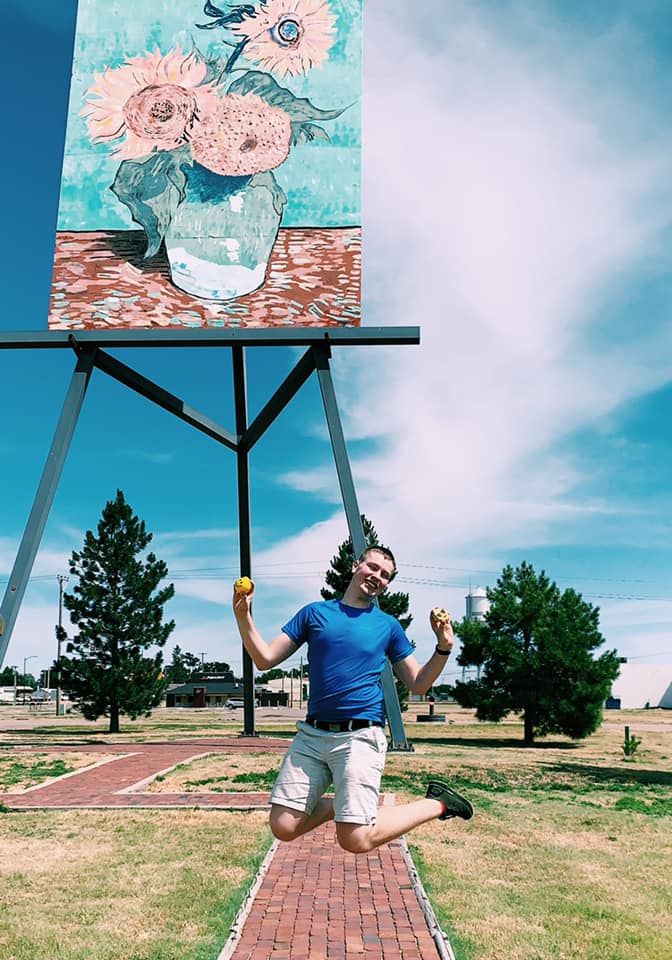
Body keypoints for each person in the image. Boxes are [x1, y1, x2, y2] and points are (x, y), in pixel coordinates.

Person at [232, 545, 473, 855]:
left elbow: (419, 683)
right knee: (283, 826)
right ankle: (343, 808)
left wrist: (443, 647)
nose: (377, 576)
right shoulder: (314, 613)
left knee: (355, 840)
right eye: (372, 567)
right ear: (356, 566)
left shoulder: (387, 626)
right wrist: (243, 616)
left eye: (385, 575)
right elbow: (264, 659)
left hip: (360, 736)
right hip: (312, 735)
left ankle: (437, 803)